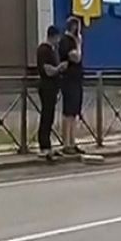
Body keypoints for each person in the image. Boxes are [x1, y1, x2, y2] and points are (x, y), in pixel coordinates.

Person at [36, 26, 67, 162]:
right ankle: (44, 145)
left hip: (52, 88)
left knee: (50, 116)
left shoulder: (53, 51)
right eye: (57, 37)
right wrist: (59, 68)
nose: (58, 40)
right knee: (46, 116)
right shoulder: (44, 50)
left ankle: (47, 144)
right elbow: (47, 70)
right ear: (53, 36)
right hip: (46, 87)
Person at [57, 17, 85, 155]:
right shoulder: (66, 41)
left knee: (74, 112)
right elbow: (76, 57)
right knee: (68, 112)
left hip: (76, 79)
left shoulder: (73, 41)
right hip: (69, 80)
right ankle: (66, 143)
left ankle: (73, 142)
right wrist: (79, 43)